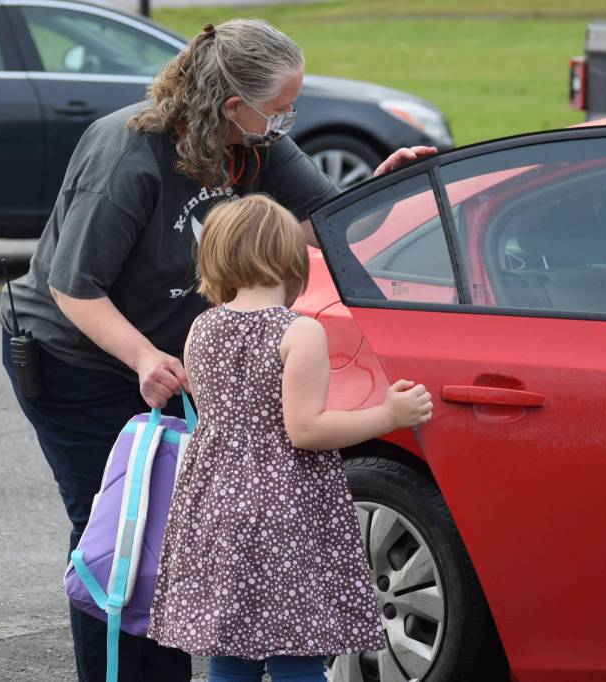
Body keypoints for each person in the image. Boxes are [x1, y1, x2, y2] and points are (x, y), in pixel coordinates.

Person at [0, 18, 434, 682]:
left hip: (169, 353)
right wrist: (145, 358)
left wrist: (388, 187)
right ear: (234, 105)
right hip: (76, 358)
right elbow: (74, 287)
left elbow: (326, 224)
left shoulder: (253, 144)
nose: (289, 120)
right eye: (280, 108)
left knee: (174, 529)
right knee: (117, 531)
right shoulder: (129, 154)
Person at [147, 194, 433, 682]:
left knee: (231, 652)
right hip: (284, 510)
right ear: (292, 257)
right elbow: (305, 431)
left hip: (215, 503)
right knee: (297, 653)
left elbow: (219, 407)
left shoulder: (201, 328)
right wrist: (387, 415)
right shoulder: (299, 332)